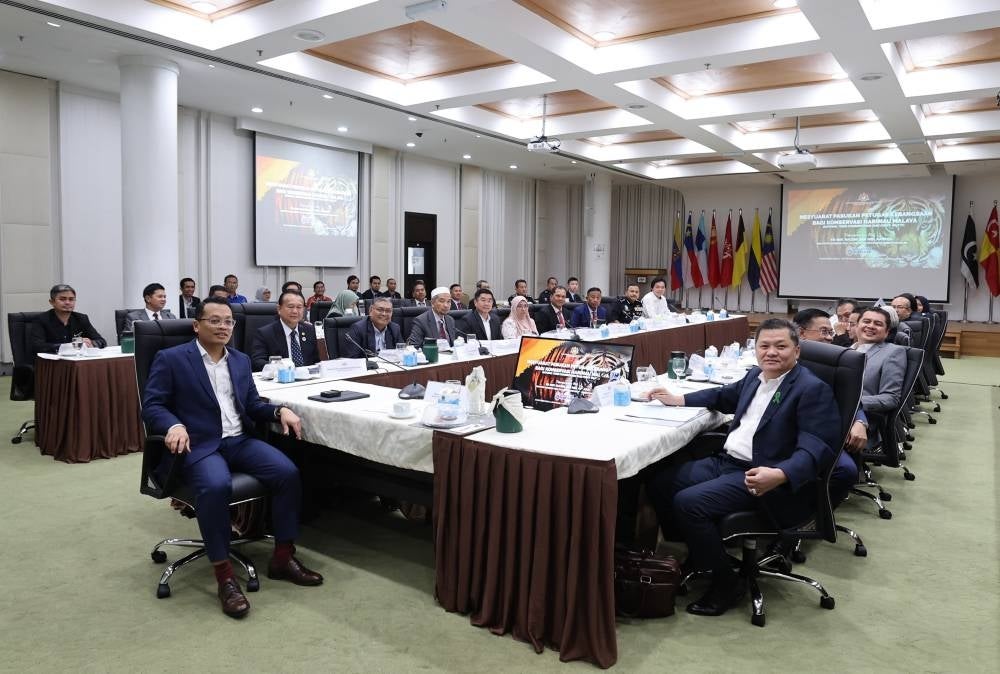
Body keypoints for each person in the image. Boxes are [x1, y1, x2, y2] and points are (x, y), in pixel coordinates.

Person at [644, 318, 840, 617]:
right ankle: (702, 554)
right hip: (727, 462)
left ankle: (726, 583)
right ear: (756, 350)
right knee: (659, 481)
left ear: (797, 351)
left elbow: (816, 447)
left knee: (689, 503)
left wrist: (781, 473)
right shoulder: (755, 377)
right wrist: (678, 399)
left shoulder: (811, 389)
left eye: (781, 346)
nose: (771, 352)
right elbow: (722, 396)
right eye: (764, 346)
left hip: (763, 474)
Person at [142, 298, 321, 619]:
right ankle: (224, 576)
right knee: (215, 486)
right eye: (215, 321)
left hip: (239, 440)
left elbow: (252, 404)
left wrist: (279, 410)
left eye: (228, 322)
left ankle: (282, 557)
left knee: (287, 473)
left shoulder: (238, 360)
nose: (223, 326)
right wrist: (173, 424)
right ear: (197, 325)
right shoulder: (171, 359)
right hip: (199, 444)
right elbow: (152, 405)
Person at [793, 308, 864, 502]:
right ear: (801, 333)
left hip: (819, 435)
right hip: (787, 429)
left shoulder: (836, 360)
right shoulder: (783, 358)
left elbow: (851, 398)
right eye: (824, 332)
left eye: (830, 332)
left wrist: (860, 421)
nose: (830, 338)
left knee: (845, 470)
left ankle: (813, 515)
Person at [855, 306, 907, 419]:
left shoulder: (893, 352)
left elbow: (890, 398)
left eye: (878, 324)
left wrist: (852, 403)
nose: (870, 326)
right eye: (866, 321)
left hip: (863, 415)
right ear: (856, 325)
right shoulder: (845, 350)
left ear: (887, 332)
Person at [249, 291, 319, 371]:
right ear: (279, 309)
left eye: (299, 307)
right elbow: (257, 362)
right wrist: (282, 368)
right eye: (290, 307)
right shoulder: (265, 333)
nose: (295, 311)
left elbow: (318, 360)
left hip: (308, 379)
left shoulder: (310, 330)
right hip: (281, 379)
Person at [30, 284, 107, 356]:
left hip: (77, 361)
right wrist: (69, 346)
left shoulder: (81, 318)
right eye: (62, 299)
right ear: (52, 302)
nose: (67, 302)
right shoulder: (41, 320)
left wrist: (91, 343)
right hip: (52, 363)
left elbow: (102, 341)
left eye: (71, 299)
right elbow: (38, 346)